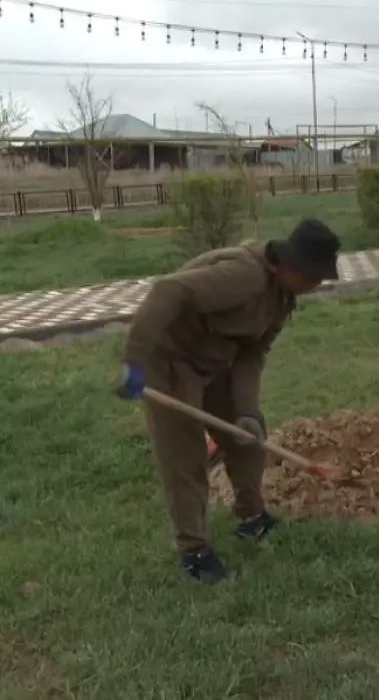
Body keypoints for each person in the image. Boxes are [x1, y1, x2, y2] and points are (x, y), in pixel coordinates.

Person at [115, 218, 341, 583]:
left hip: (214, 361)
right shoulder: (243, 277)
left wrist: (247, 412)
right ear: (289, 265)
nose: (316, 285)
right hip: (170, 359)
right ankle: (194, 552)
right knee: (185, 455)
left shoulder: (282, 300)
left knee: (250, 440)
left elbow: (251, 357)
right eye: (313, 276)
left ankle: (252, 519)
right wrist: (134, 361)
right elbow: (168, 291)